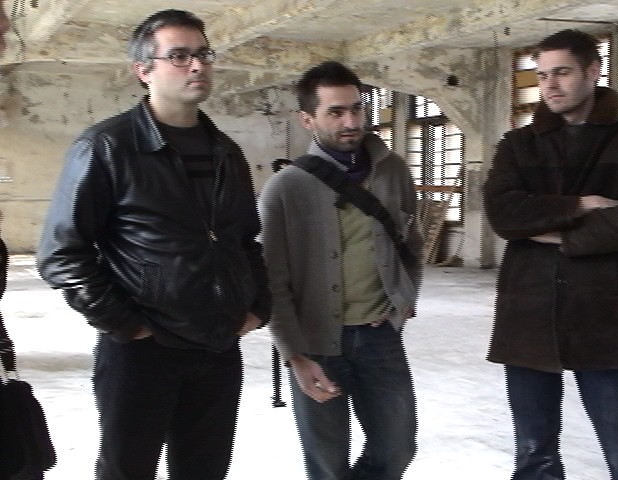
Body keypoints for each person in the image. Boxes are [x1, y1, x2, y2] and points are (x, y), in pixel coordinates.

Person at [36, 9, 270, 480]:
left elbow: (244, 240)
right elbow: (62, 253)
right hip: (144, 351)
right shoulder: (107, 147)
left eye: (203, 54)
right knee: (128, 470)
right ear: (143, 70)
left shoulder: (226, 152)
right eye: (179, 56)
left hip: (217, 346)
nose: (197, 65)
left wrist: (259, 307)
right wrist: (127, 324)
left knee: (205, 471)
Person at [483, 29, 618, 479]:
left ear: (592, 71)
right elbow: (504, 215)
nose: (550, 85)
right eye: (543, 75)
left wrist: (555, 233)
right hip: (528, 308)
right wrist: (582, 205)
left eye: (562, 72)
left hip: (601, 309)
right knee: (534, 457)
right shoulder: (517, 145)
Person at [258, 60, 422, 480]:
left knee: (398, 447)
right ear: (307, 119)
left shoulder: (393, 171)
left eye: (357, 109)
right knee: (327, 463)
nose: (351, 122)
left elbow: (412, 244)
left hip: (379, 337)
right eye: (336, 112)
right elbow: (271, 282)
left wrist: (404, 300)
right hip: (315, 343)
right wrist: (294, 354)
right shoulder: (285, 188)